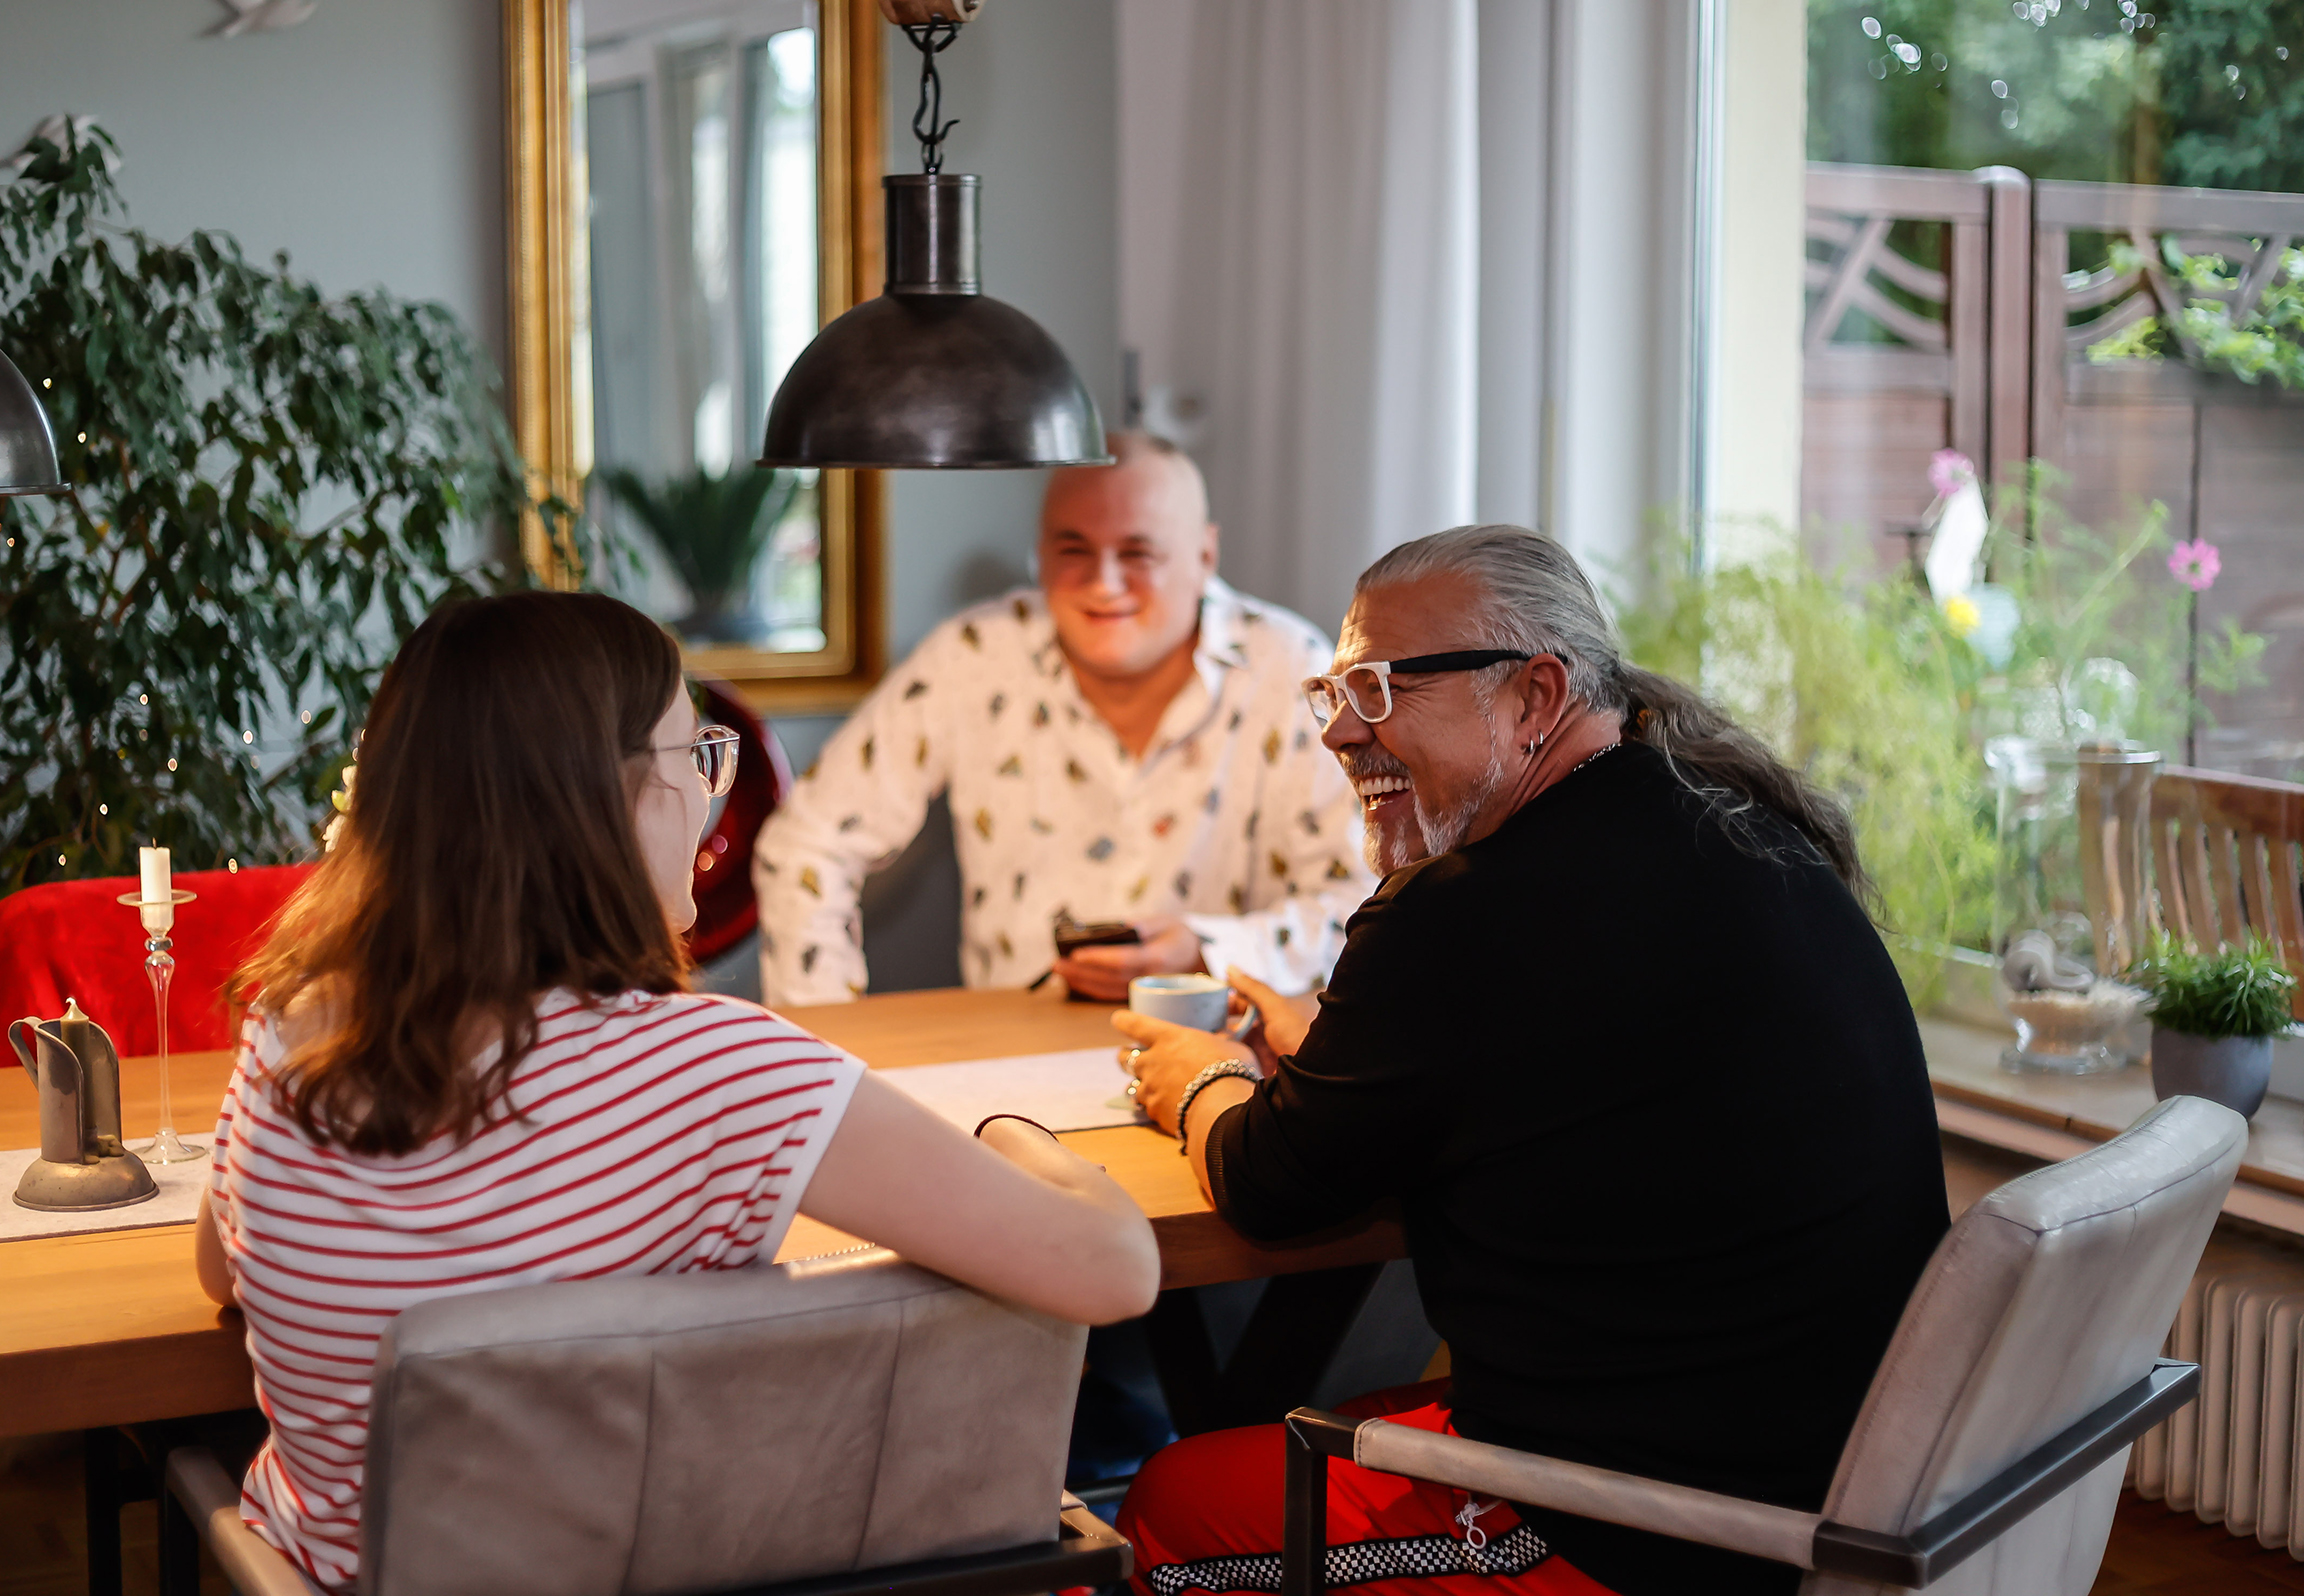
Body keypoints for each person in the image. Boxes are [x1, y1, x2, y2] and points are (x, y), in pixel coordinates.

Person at [194, 591, 1159, 1590]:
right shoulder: (718, 1073)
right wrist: (1010, 1135)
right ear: (602, 799)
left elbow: (225, 1277)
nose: (707, 796)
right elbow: (1118, 1270)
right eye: (694, 756)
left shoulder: (286, 1030)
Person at [1110, 527, 1950, 1596]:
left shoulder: (1464, 914)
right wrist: (1315, 1037)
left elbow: (1267, 1184)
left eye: (1378, 690)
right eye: (1332, 692)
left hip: (1653, 1535)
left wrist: (1199, 1079)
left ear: (1534, 697)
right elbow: (1551, 1063)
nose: (1337, 735)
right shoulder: (1735, 827)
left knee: (1172, 1506)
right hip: (1832, 1481)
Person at [752, 433, 1366, 1007]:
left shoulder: (1293, 672)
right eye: (1073, 550)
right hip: (1012, 1065)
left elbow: (1361, 904)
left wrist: (1208, 949)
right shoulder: (974, 655)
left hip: (1232, 1061)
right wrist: (825, 1047)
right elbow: (805, 843)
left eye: (1137, 552)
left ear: (1204, 553)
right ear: (1040, 554)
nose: (1103, 583)